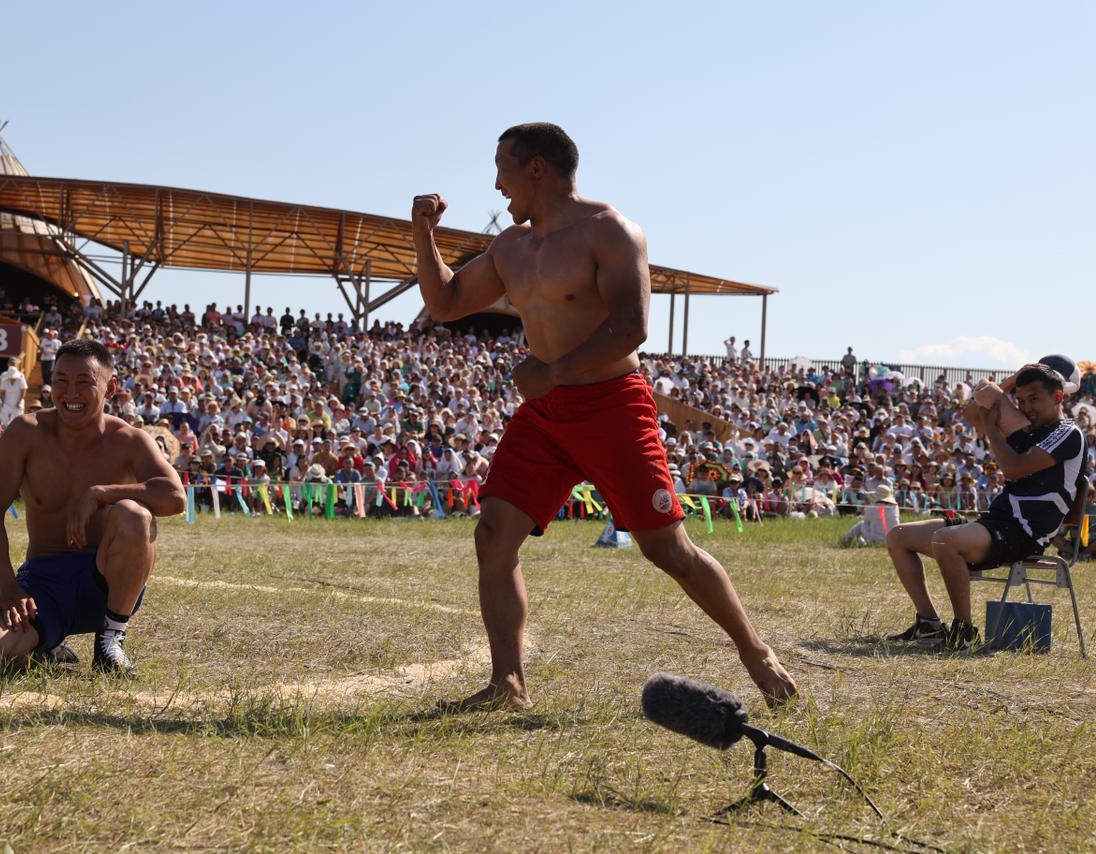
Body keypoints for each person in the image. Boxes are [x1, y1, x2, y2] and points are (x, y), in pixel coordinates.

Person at [410, 123, 796, 709]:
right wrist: (424, 235)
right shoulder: (510, 247)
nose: (496, 183)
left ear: (537, 168)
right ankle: (508, 683)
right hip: (545, 411)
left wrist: (553, 370)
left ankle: (755, 650)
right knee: (492, 536)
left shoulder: (611, 231)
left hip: (613, 405)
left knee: (667, 551)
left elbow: (631, 326)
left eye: (503, 169)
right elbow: (444, 304)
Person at [0, 338, 186, 673]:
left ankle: (110, 639)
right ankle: (46, 644)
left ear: (110, 388)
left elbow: (175, 497)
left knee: (134, 514)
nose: (71, 394)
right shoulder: (26, 432)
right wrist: (8, 588)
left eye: (84, 383)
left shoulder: (129, 439)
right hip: (43, 583)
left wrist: (101, 493)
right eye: (61, 382)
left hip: (105, 582)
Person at [884, 363, 1088, 650]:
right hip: (997, 522)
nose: (1026, 407)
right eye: (1021, 401)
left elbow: (1013, 469)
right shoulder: (1028, 430)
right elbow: (971, 410)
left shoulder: (1068, 433)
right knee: (898, 535)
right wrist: (1013, 380)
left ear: (1058, 398)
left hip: (1026, 533)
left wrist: (992, 427)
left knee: (945, 540)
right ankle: (929, 625)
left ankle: (964, 632)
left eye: (1034, 399)